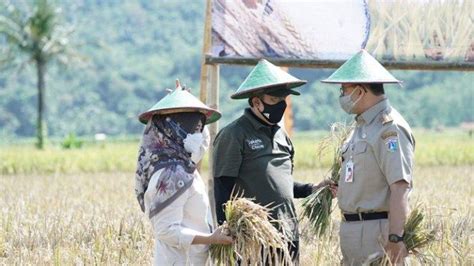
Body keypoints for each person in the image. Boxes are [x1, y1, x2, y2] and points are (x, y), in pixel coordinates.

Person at [212, 59, 333, 264]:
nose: (280, 105)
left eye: (283, 99)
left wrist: (314, 188)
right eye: (273, 99)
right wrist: (227, 231)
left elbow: (283, 184)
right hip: (254, 238)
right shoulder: (234, 134)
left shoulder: (282, 136)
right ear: (256, 102)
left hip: (288, 234)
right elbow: (223, 186)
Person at [321, 49, 415, 265]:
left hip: (377, 233)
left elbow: (400, 185)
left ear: (361, 91)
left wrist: (395, 238)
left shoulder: (389, 128)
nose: (341, 96)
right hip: (353, 232)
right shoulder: (360, 128)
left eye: (344, 90)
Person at [135, 80, 232, 266]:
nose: (198, 134)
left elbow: (202, 142)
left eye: (199, 128)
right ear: (174, 132)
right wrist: (212, 239)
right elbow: (166, 231)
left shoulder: (184, 163)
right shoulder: (171, 174)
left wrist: (186, 98)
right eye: (192, 129)